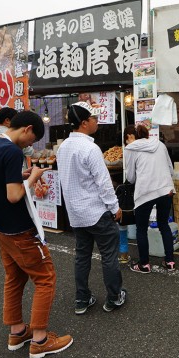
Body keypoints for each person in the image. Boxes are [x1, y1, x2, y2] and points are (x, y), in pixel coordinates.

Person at [0, 110, 73, 357]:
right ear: (27, 129)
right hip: (20, 229)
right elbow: (14, 195)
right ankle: (40, 340)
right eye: (33, 139)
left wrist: (19, 177)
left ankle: (17, 331)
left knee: (14, 277)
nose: (31, 144)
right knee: (45, 278)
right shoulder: (11, 151)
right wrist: (34, 177)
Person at [56, 102, 127, 315]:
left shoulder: (63, 147)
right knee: (109, 256)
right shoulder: (90, 148)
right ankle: (114, 297)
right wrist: (115, 207)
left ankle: (82, 298)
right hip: (97, 211)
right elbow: (103, 182)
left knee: (82, 256)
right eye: (94, 118)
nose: (97, 122)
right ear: (85, 122)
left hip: (76, 213)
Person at [123, 124, 176, 273]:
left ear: (131, 136)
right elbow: (170, 169)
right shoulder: (160, 144)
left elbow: (131, 178)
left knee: (141, 229)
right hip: (166, 189)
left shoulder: (130, 149)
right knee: (164, 224)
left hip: (145, 192)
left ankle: (144, 264)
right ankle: (170, 261)